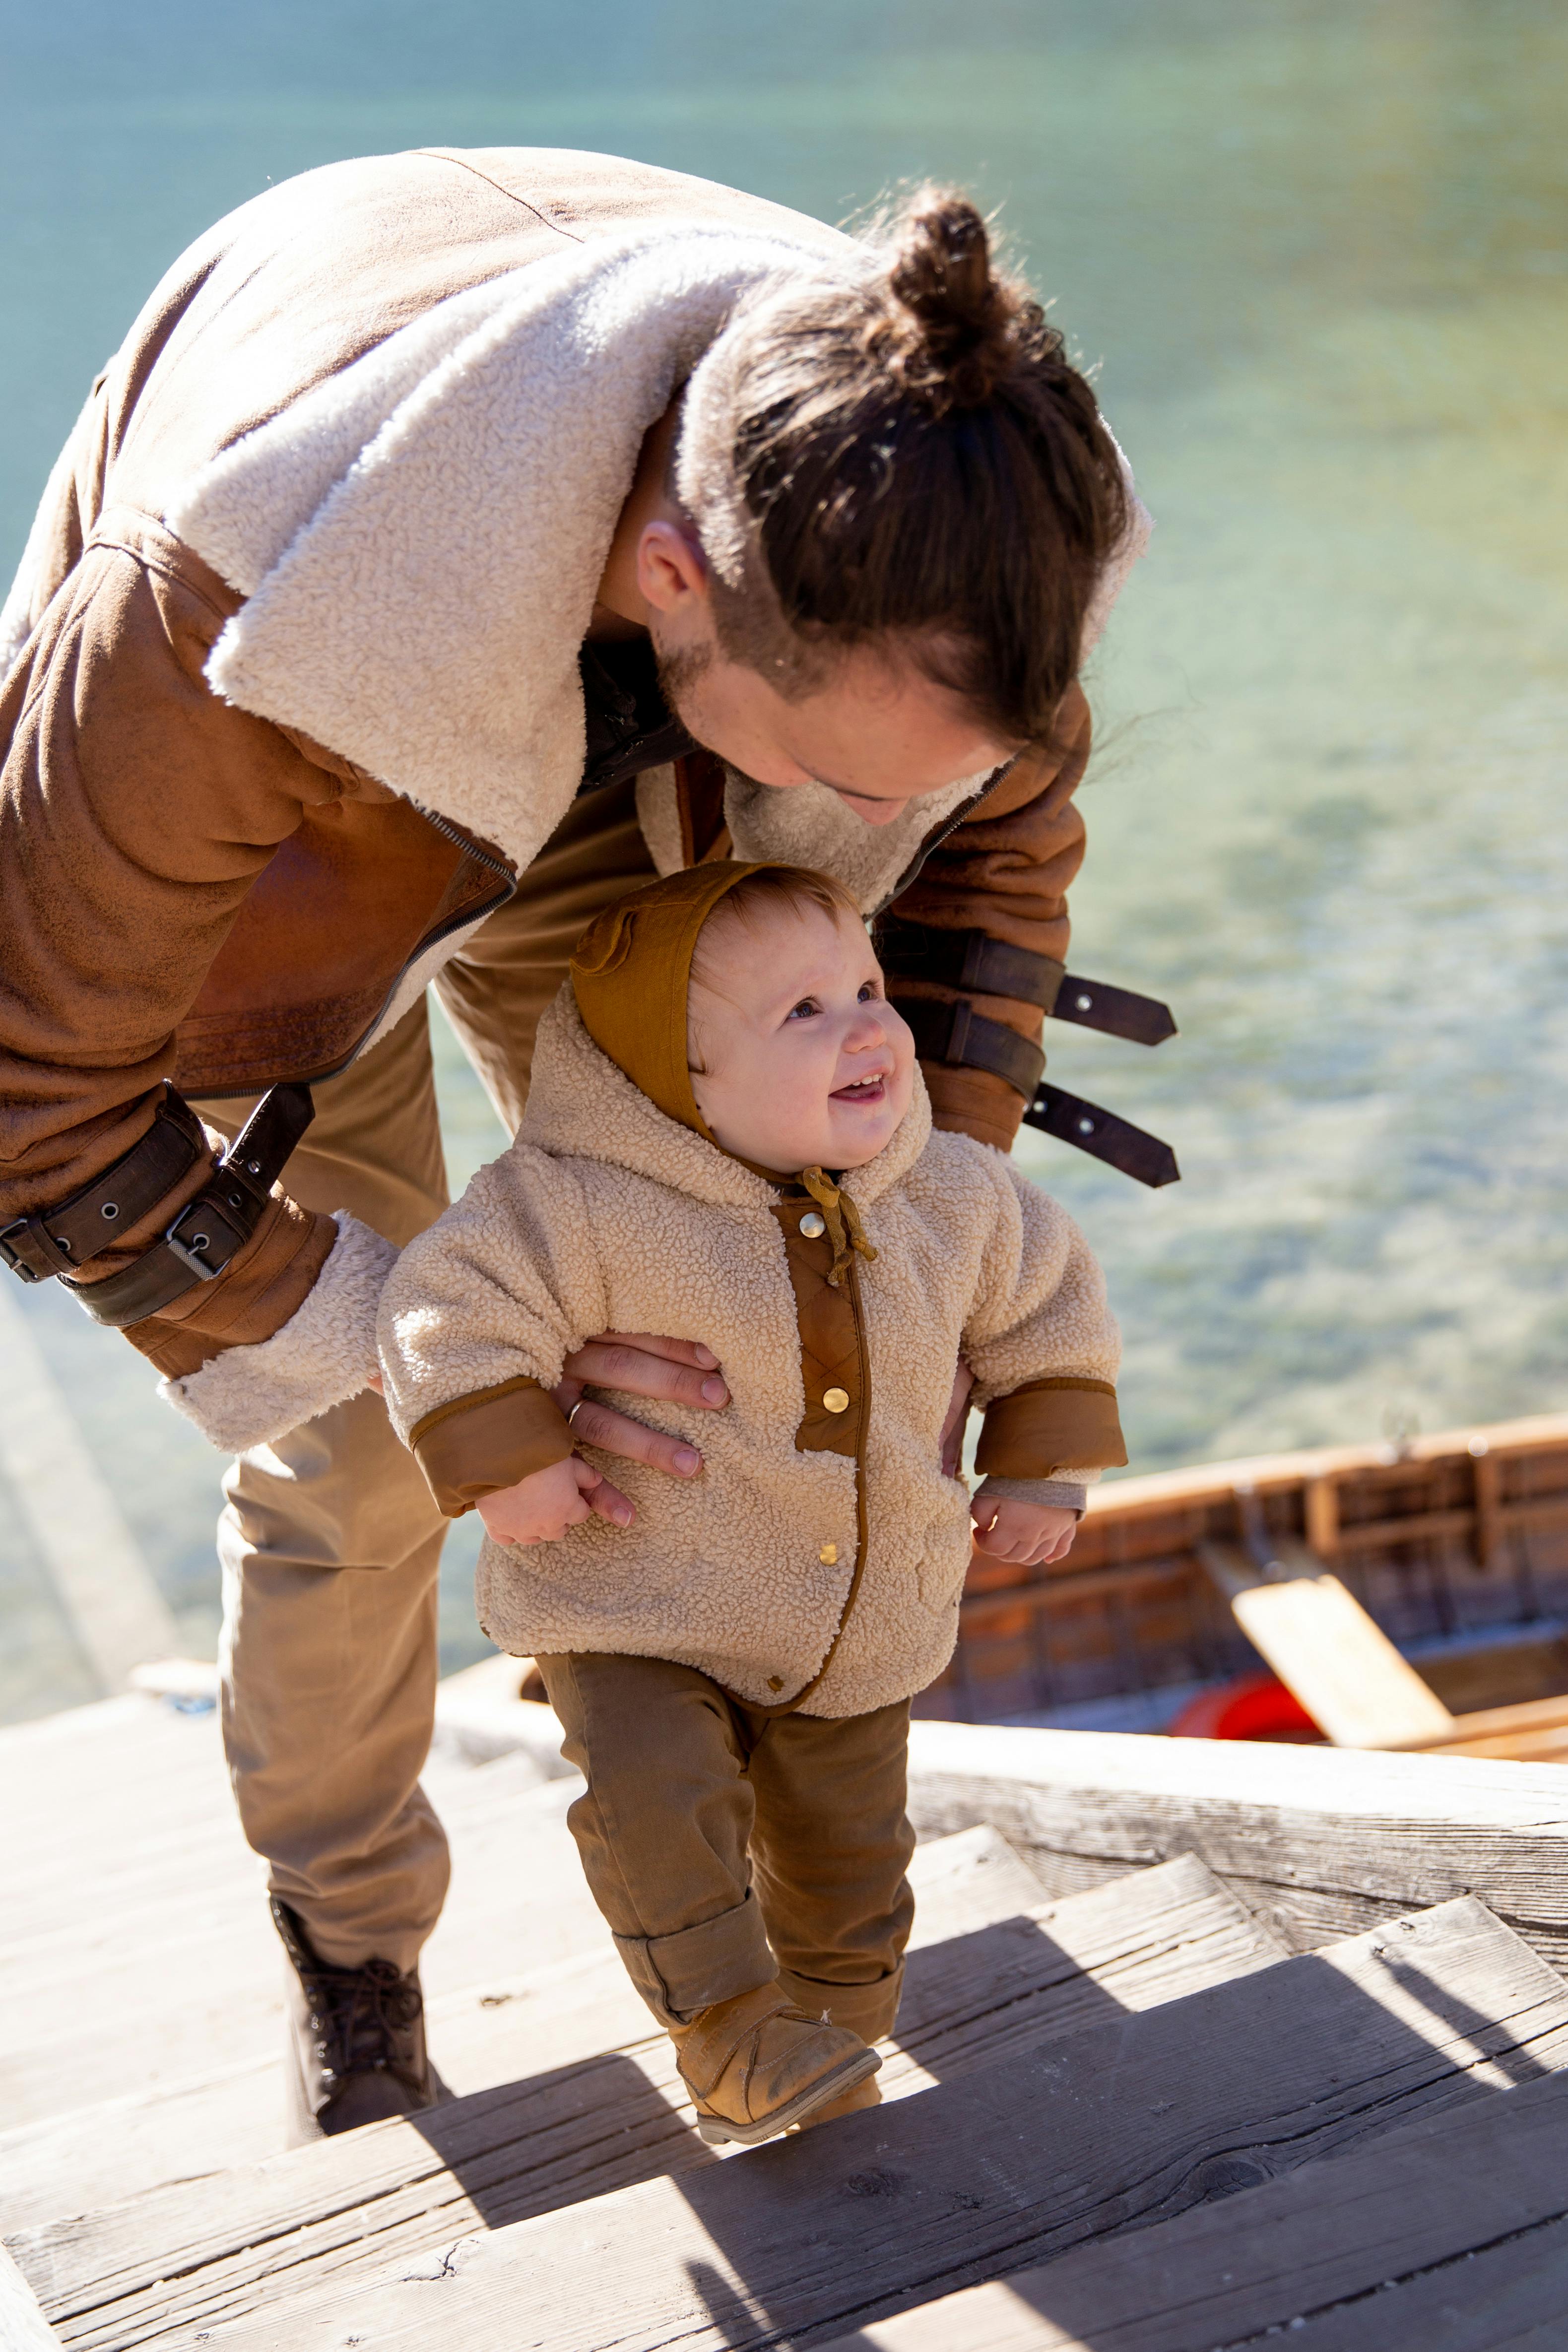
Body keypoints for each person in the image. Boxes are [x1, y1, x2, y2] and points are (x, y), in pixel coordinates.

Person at [0, 147, 1146, 2138]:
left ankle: (779, 1939)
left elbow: (992, 857)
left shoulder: (954, 517)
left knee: (751, 1352)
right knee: (367, 1468)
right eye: (852, 775)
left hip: (674, 785)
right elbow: (36, 1091)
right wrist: (429, 1348)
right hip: (305, 809)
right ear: (676, 578)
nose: (915, 807)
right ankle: (353, 1951)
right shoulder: (211, 608)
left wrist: (915, 1231)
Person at [377, 861, 1125, 2145]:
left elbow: (1049, 1301)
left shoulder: (945, 1189)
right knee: (660, 1808)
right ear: (683, 1079)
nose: (870, 1026)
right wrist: (511, 1454)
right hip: (637, 1601)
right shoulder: (584, 1203)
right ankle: (726, 2025)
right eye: (805, 1014)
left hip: (855, 1621)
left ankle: (834, 2017)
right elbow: (447, 1307)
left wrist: (1038, 1458)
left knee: (852, 1853)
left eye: (869, 987)